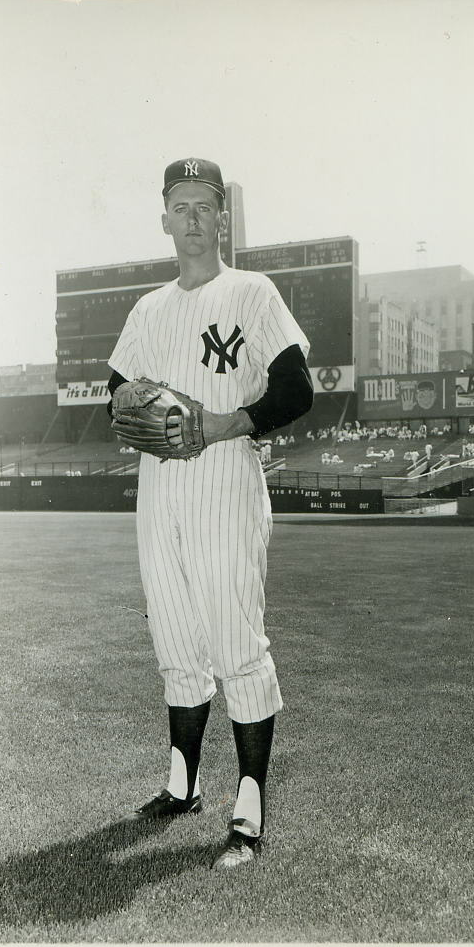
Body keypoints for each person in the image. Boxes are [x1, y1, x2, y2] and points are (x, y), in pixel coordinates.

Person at [107, 157, 313, 870]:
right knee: (175, 640)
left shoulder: (252, 292)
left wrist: (224, 423)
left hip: (226, 475)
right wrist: (130, 410)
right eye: (180, 205)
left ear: (221, 217)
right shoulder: (148, 309)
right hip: (158, 485)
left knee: (235, 641)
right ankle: (181, 784)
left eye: (206, 205)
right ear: (164, 216)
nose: (193, 218)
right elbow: (114, 392)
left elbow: (296, 388)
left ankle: (249, 808)